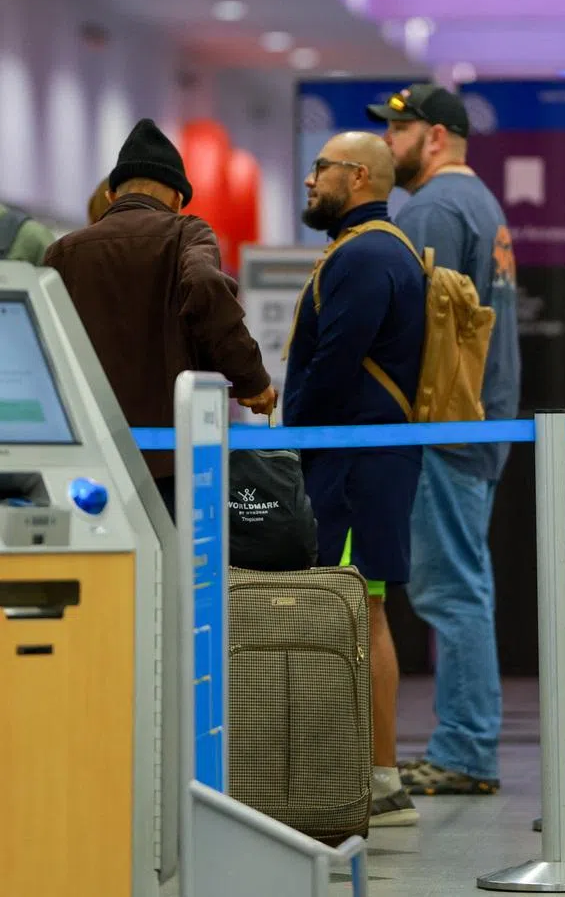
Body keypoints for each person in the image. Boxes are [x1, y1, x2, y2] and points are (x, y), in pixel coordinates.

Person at [367, 84, 521, 797]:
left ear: (432, 137)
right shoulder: (481, 204)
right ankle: (468, 742)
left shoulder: (431, 207)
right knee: (463, 583)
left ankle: (463, 748)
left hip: (445, 422)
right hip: (479, 419)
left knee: (451, 589)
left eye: (397, 133)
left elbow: (410, 327)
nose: (386, 147)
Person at [284, 130, 427, 827]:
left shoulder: (368, 254)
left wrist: (294, 433)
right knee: (359, 612)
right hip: (361, 462)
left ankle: (376, 777)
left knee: (356, 614)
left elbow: (334, 364)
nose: (310, 180)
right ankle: (375, 773)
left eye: (321, 168)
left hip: (353, 466)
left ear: (360, 176)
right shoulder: (368, 248)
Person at [43, 119, 274, 514]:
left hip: (91, 450)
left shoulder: (63, 251)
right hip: (171, 455)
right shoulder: (188, 233)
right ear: (178, 199)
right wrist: (252, 380)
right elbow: (204, 285)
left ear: (112, 193)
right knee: (172, 566)